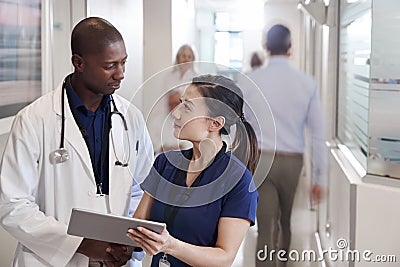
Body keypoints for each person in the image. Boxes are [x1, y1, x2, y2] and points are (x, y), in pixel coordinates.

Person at [0, 17, 154, 267]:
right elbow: (11, 203)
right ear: (78, 63)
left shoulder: (130, 118)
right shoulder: (34, 119)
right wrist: (80, 243)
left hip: (117, 260)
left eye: (123, 63)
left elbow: (144, 188)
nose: (121, 74)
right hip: (50, 260)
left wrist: (129, 242)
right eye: (110, 65)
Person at [127, 74, 260, 266]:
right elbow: (139, 223)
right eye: (180, 103)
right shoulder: (165, 163)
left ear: (215, 123)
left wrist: (170, 245)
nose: (176, 113)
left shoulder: (239, 181)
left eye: (187, 107)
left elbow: (224, 258)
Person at [241, 24, 325, 266]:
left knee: (265, 227)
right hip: (292, 161)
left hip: (263, 159)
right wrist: (319, 177)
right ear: (290, 48)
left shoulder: (251, 81)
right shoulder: (307, 83)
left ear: (266, 47)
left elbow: (242, 125)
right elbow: (317, 133)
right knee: (285, 221)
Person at [149, 90, 192, 154]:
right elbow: (151, 142)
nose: (174, 107)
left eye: (176, 103)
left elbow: (192, 143)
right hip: (163, 156)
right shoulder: (158, 121)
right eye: (171, 104)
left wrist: (180, 147)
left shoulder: (190, 121)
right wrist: (163, 147)